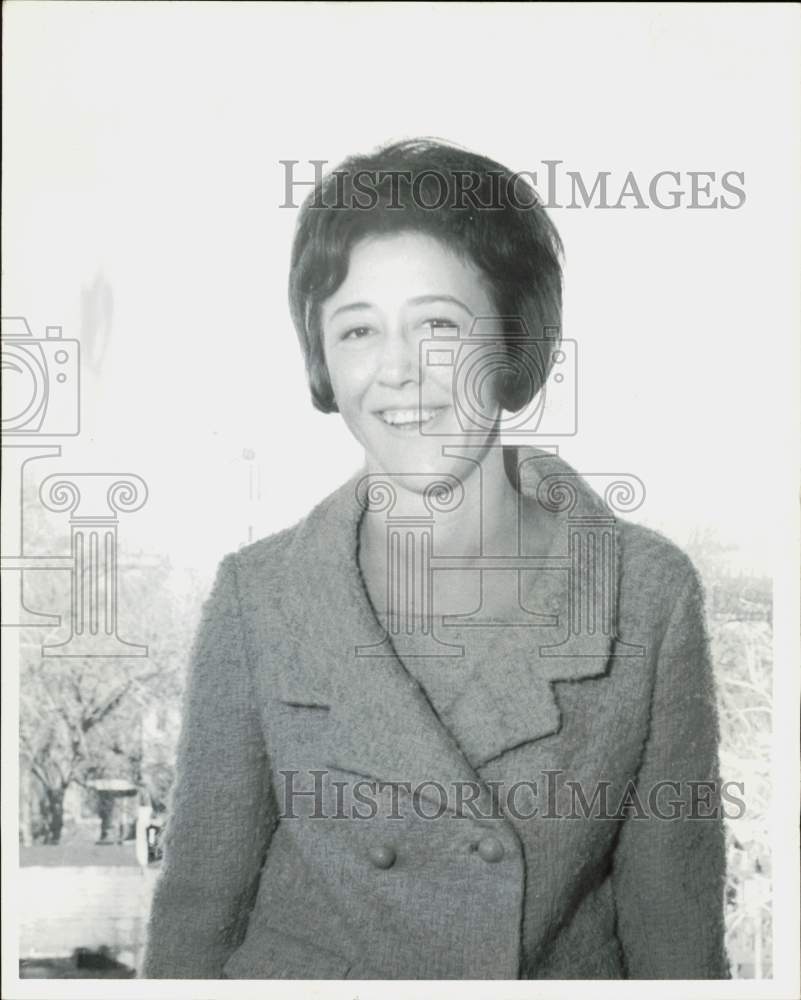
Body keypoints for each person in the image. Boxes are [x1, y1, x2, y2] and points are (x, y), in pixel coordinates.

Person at [141, 138, 730, 980]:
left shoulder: (645, 594)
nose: (398, 373)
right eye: (356, 330)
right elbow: (197, 917)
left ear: (515, 341)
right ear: (322, 360)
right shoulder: (257, 598)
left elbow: (676, 932)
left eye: (439, 327)